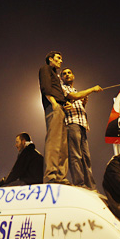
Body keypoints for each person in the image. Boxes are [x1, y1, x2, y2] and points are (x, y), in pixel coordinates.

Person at [60, 68, 101, 190]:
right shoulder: (64, 88)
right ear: (61, 78)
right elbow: (73, 96)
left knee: (86, 157)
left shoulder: (75, 90)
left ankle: (90, 185)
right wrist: (92, 89)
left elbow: (77, 99)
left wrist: (83, 104)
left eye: (69, 73)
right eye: (64, 74)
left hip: (81, 125)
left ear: (73, 75)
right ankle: (79, 183)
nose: (67, 75)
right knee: (75, 155)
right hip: (72, 123)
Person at [38, 51, 69, 184]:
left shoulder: (56, 76)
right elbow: (45, 87)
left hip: (61, 109)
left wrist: (63, 103)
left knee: (62, 145)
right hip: (54, 108)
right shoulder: (45, 69)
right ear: (51, 59)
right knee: (54, 143)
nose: (61, 61)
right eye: (58, 58)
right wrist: (54, 103)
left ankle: (60, 176)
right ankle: (51, 175)